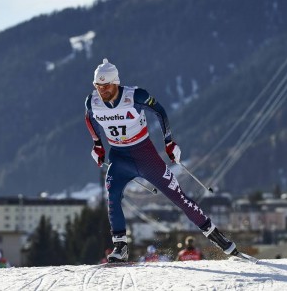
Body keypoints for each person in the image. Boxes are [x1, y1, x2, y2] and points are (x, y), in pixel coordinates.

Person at [85, 58, 239, 263]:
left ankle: (218, 238)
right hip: (119, 158)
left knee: (179, 198)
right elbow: (89, 118)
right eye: (98, 86)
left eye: (105, 86)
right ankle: (120, 247)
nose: (101, 91)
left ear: (116, 83)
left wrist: (169, 142)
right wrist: (97, 144)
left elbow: (160, 111)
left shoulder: (135, 95)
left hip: (145, 156)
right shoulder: (93, 101)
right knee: (112, 197)